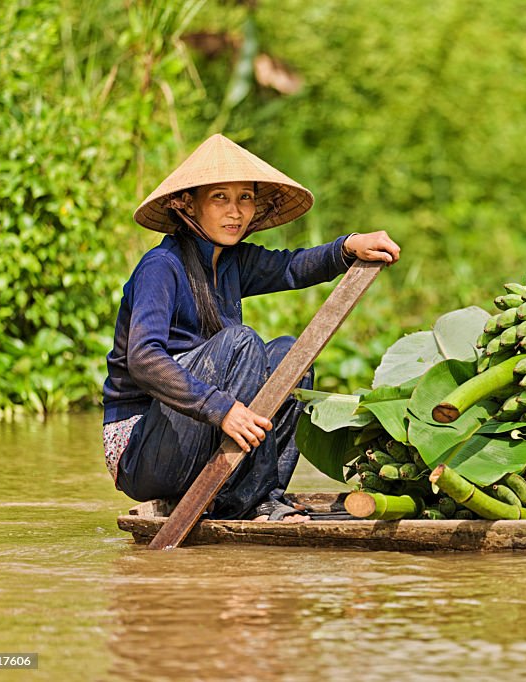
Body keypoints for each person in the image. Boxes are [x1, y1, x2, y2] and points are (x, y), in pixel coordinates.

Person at [101, 134, 400, 521]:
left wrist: (348, 246)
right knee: (242, 342)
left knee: (290, 356)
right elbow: (143, 358)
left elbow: (292, 267)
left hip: (195, 433)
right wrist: (221, 408)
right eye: (220, 198)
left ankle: (264, 493)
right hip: (142, 448)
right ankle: (252, 498)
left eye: (245, 198)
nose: (236, 212)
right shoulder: (161, 266)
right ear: (187, 204)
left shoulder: (232, 262)